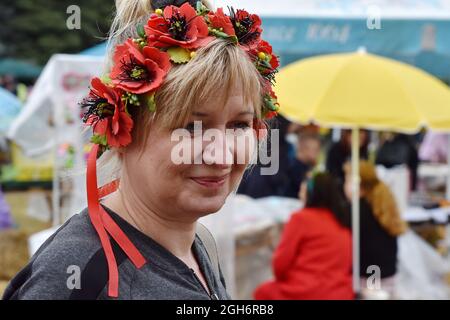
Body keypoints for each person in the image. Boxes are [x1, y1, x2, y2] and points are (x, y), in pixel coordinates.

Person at [3, 0, 280, 300]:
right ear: (122, 129)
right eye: (190, 128)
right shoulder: (81, 277)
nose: (222, 155)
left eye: (239, 125)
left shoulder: (199, 246)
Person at [253, 173, 353, 300]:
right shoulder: (342, 220)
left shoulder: (300, 219)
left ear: (309, 195)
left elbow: (280, 264)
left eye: (302, 193)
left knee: (262, 292)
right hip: (341, 293)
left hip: (306, 292)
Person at [343, 161, 407, 297]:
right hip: (386, 274)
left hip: (372, 276)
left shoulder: (357, 211)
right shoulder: (381, 203)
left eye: (347, 181)